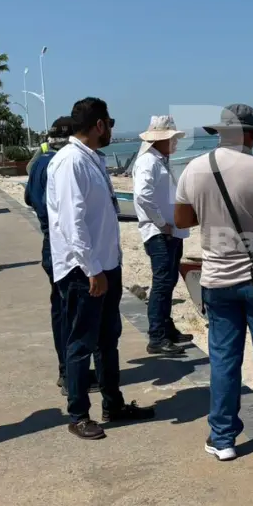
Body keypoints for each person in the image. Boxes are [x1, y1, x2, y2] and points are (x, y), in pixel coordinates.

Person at [174, 104, 253, 462]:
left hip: (216, 279)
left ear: (220, 133)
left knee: (223, 359)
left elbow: (182, 218)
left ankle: (223, 437)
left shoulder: (194, 168)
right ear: (249, 135)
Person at [47, 97, 154, 439]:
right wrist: (92, 269)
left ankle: (114, 403)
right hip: (84, 271)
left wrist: (110, 264)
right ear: (98, 125)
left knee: (108, 339)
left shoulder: (91, 158)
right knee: (81, 343)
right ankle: (79, 414)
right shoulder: (69, 162)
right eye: (109, 122)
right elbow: (71, 221)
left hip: (106, 265)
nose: (111, 128)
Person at [26, 116, 100, 395]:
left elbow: (28, 199)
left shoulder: (40, 163)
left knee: (61, 310)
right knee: (71, 313)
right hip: (63, 245)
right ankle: (71, 376)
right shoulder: (63, 163)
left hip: (51, 241)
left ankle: (66, 371)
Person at [132, 115, 193, 355]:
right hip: (160, 233)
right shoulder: (149, 161)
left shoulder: (159, 160)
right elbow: (142, 196)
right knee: (162, 283)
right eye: (172, 138)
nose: (176, 143)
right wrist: (161, 223)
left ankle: (166, 329)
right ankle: (156, 335)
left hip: (170, 231)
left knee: (168, 282)